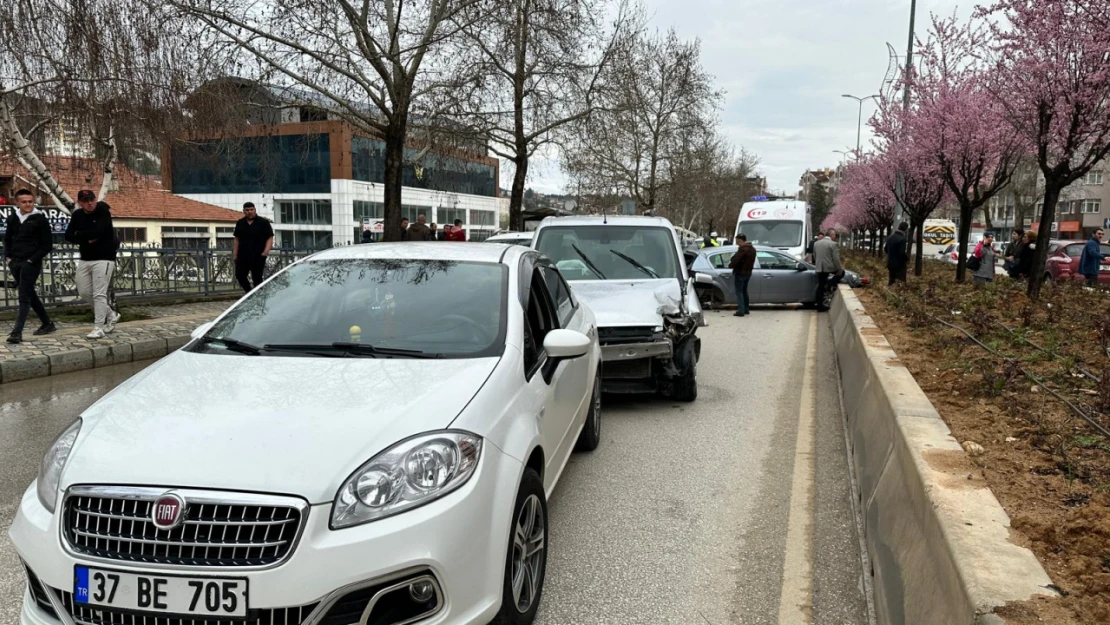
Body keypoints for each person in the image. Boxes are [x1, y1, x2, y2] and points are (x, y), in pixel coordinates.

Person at [65, 190, 121, 338]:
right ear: (80, 203)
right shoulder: (77, 215)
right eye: (85, 200)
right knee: (84, 292)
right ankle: (111, 314)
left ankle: (98, 327)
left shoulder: (103, 211)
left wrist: (81, 234)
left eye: (91, 199)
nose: (89, 203)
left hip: (104, 258)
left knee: (99, 294)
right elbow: (68, 235)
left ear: (95, 199)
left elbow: (100, 231)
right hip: (85, 258)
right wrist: (85, 237)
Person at [4, 189, 55, 343]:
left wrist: (32, 260)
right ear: (17, 202)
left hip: (30, 263)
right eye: (24, 202)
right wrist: (8, 258)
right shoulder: (13, 218)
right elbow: (7, 239)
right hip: (15, 262)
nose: (28, 204)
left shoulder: (40, 219)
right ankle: (47, 323)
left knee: (24, 297)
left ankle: (16, 333)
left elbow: (47, 244)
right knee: (29, 294)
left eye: (30, 201)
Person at [232, 202, 274, 293]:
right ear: (243, 211)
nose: (249, 212)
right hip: (242, 256)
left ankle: (259, 297)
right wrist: (235, 254)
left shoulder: (263, 222)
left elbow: (270, 237)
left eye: (251, 210)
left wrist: (265, 252)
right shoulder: (240, 223)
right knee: (239, 275)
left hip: (258, 255)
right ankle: (249, 293)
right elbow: (236, 239)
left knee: (257, 278)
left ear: (255, 210)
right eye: (247, 210)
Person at [813, 228, 843, 312]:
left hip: (819, 267)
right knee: (842, 273)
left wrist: (818, 264)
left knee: (820, 286)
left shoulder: (816, 243)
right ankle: (829, 284)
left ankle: (819, 306)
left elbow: (815, 256)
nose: (835, 236)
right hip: (829, 267)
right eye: (834, 235)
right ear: (831, 235)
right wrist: (839, 268)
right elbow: (836, 259)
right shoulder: (833, 244)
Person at [729, 234, 756, 317]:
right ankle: (746, 309)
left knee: (739, 292)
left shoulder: (743, 249)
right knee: (744, 291)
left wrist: (731, 265)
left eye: (737, 242)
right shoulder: (753, 249)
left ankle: (741, 311)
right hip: (748, 273)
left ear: (741, 241)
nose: (737, 244)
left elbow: (736, 259)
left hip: (740, 273)